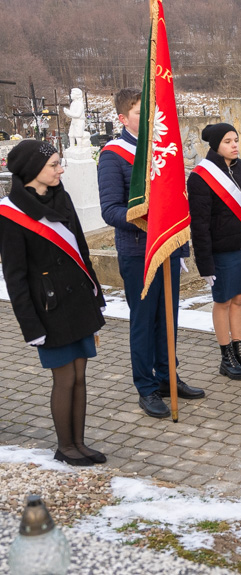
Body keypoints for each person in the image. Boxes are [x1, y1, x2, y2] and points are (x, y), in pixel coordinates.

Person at [98, 88, 204, 419]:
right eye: (138, 113)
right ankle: (146, 387)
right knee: (145, 321)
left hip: (168, 249)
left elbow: (176, 202)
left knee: (168, 318)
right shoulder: (113, 156)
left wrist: (178, 241)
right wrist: (149, 221)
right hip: (138, 252)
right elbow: (110, 211)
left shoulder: (162, 150)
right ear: (122, 118)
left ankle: (168, 377)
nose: (146, 119)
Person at [0, 140, 107, 466]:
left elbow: (82, 253)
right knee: (64, 378)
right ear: (33, 170)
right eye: (54, 165)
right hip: (49, 309)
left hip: (78, 301)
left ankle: (80, 442)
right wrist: (30, 326)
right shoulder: (10, 213)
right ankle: (66, 446)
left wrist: (96, 295)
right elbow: (15, 277)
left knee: (80, 374)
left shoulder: (63, 197)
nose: (61, 170)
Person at [187, 123, 241, 380]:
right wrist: (205, 263)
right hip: (222, 252)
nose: (234, 145)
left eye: (236, 140)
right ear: (215, 145)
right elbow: (199, 225)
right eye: (227, 141)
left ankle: (239, 349)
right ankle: (226, 356)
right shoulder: (201, 177)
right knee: (222, 302)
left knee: (238, 300)